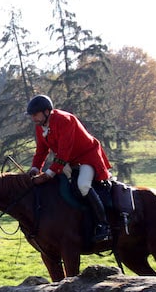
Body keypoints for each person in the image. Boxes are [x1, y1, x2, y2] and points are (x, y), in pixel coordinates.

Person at [25, 95, 112, 243]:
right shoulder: (40, 126)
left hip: (87, 157)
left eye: (35, 114)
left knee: (83, 185)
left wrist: (48, 174)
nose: (33, 118)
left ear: (47, 112)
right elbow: (41, 150)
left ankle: (104, 225)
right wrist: (35, 168)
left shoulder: (65, 120)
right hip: (69, 160)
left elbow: (64, 151)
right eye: (32, 115)